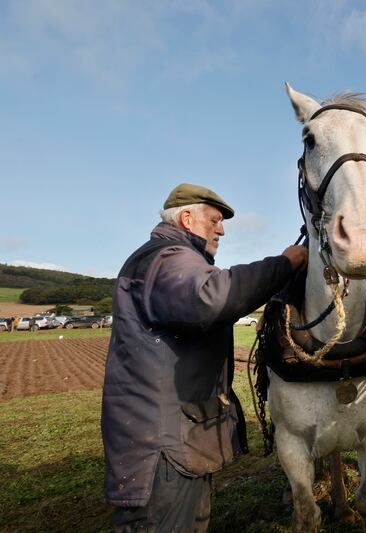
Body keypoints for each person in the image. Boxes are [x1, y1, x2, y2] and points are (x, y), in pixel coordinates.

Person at [101, 183, 308, 532]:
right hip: (161, 450)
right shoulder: (166, 259)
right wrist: (285, 263)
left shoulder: (167, 258)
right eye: (214, 220)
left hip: (170, 441)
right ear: (186, 218)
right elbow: (212, 297)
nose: (222, 229)